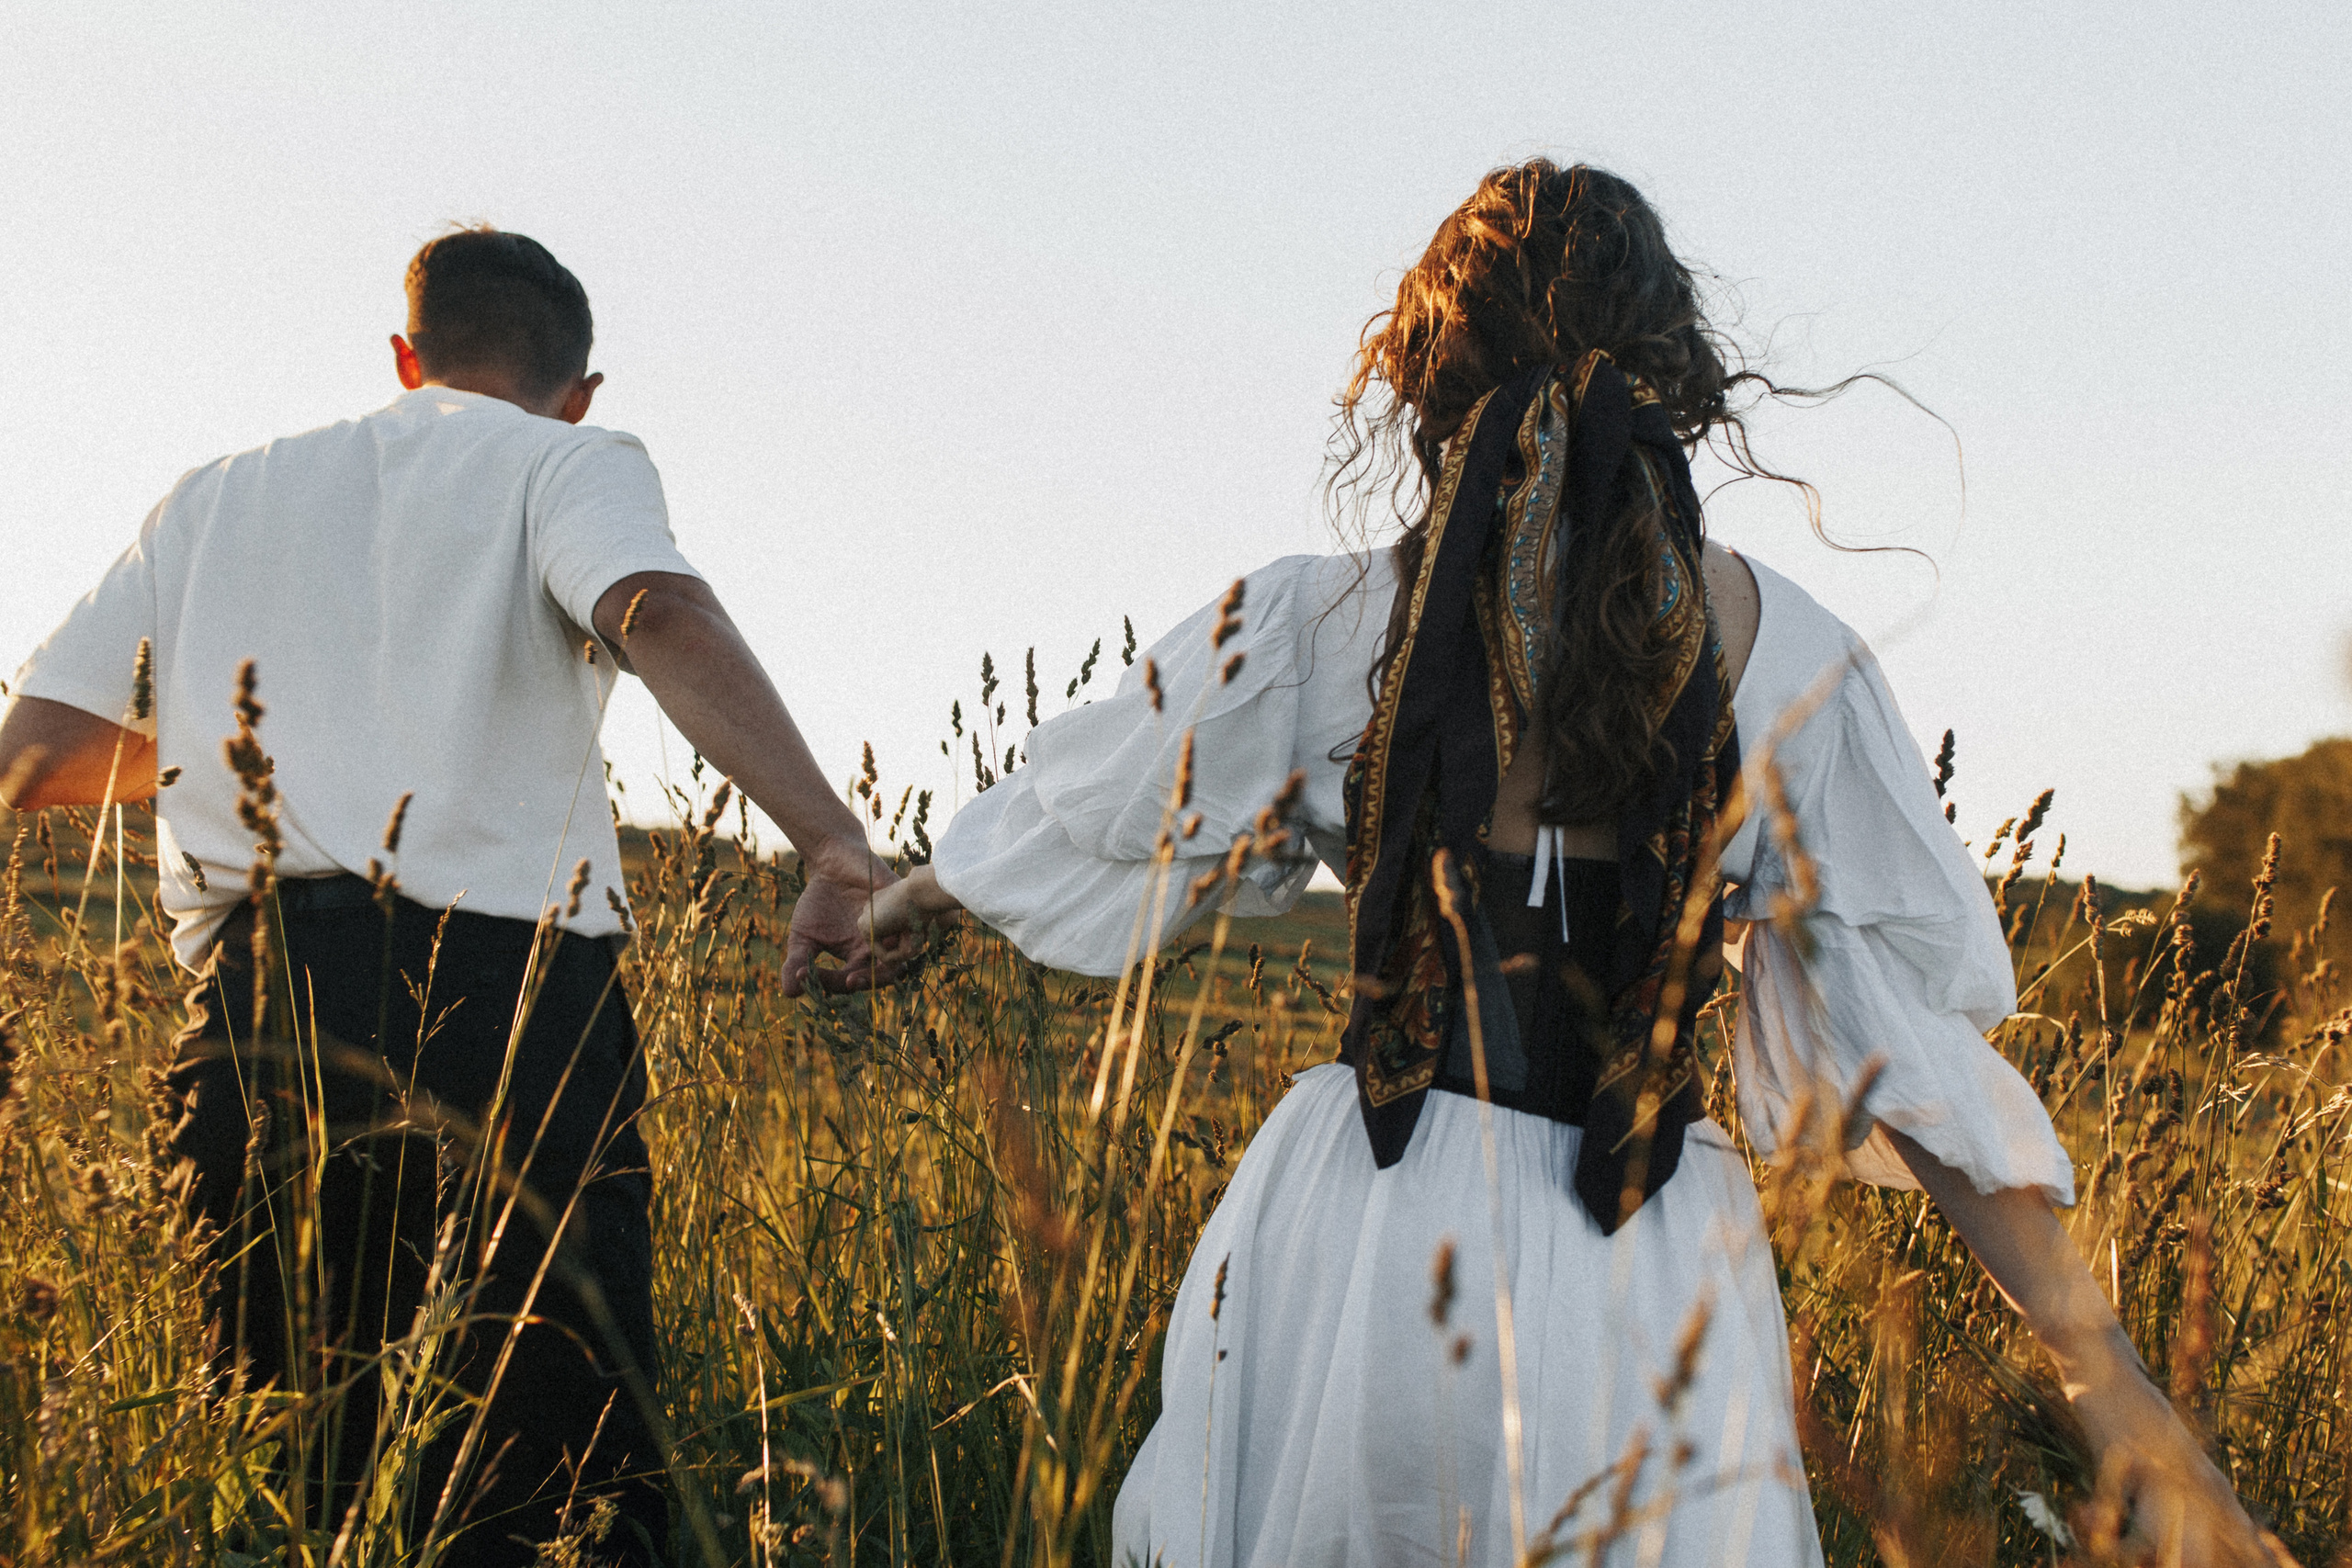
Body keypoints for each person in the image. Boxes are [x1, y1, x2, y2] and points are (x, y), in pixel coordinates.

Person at [857, 164, 2284, 1565]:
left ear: (1421, 379)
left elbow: (1088, 810)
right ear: (1679, 374)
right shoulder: (1788, 661)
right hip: (1643, 1265)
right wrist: (2134, 1421)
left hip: (1353, 1245)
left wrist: (901, 898)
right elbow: (1912, 1063)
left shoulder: (1317, 628)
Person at [0, 227, 898, 1564]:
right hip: (511, 1021)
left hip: (260, 1020)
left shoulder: (215, 495)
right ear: (582, 388)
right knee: (545, 1489)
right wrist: (834, 848)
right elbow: (653, 608)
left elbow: (35, 754)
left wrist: (250, 755)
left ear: (405, 356)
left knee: (300, 1472)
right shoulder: (572, 459)